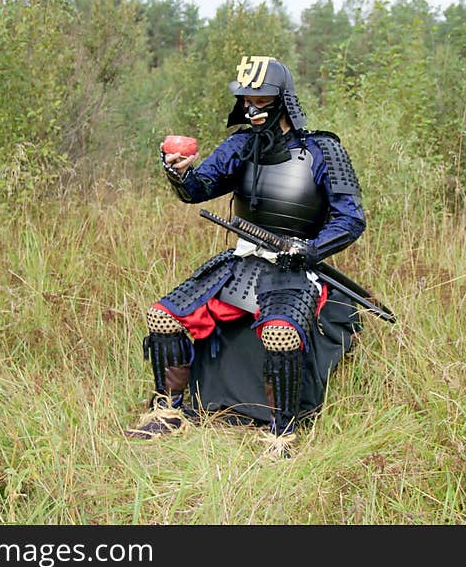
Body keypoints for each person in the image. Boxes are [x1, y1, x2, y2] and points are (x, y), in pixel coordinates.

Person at [124, 55, 366, 457]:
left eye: (261, 100)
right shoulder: (240, 145)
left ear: (283, 99)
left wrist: (308, 250)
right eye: (246, 100)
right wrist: (179, 172)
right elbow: (199, 189)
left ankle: (280, 434)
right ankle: (168, 411)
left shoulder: (324, 149)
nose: (252, 110)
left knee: (281, 332)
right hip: (243, 260)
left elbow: (350, 220)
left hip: (293, 269)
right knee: (162, 316)